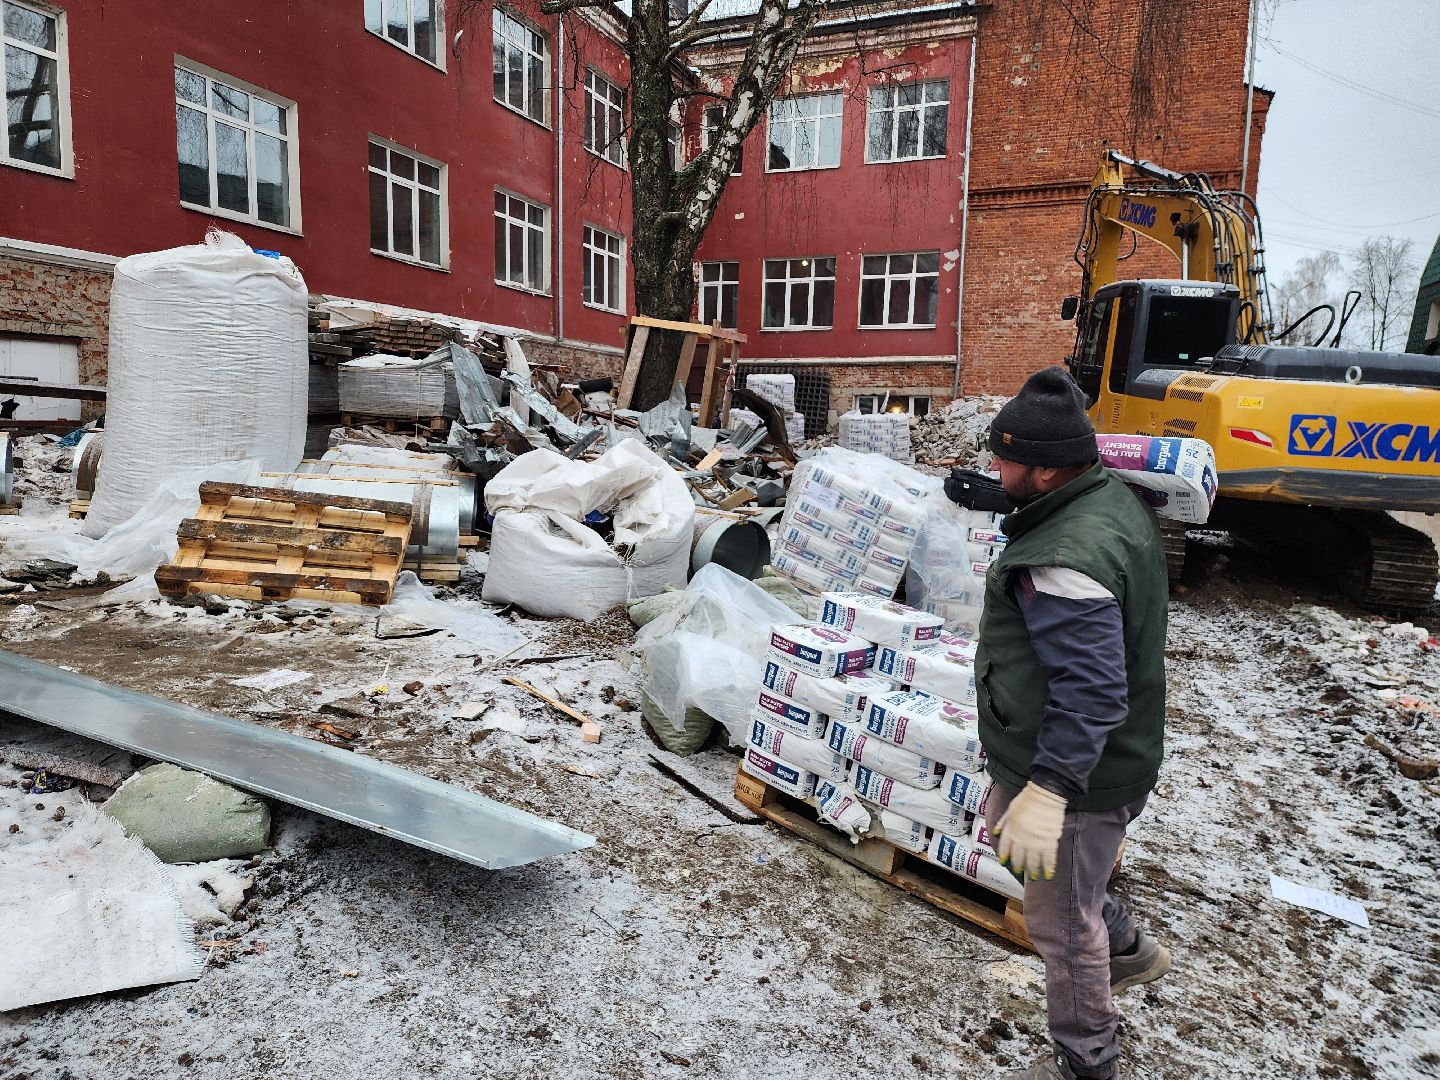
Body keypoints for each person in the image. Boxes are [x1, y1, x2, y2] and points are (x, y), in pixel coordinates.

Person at [969, 367, 1173, 1080]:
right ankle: (1123, 945)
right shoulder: (1100, 499)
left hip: (1082, 774)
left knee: (1058, 923)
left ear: (1049, 470)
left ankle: (1088, 1061)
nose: (996, 468)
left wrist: (1051, 790)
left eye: (1006, 460)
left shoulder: (1066, 562)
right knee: (1012, 839)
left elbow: (1090, 692)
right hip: (1081, 756)